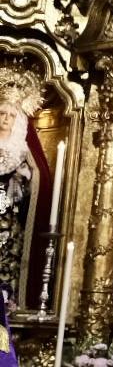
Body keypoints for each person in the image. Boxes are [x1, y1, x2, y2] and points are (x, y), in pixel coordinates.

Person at [0, 89, 33, 299]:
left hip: (8, 215)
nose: (6, 119)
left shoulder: (21, 149)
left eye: (11, 115)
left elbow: (36, 179)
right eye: (2, 113)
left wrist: (22, 178)